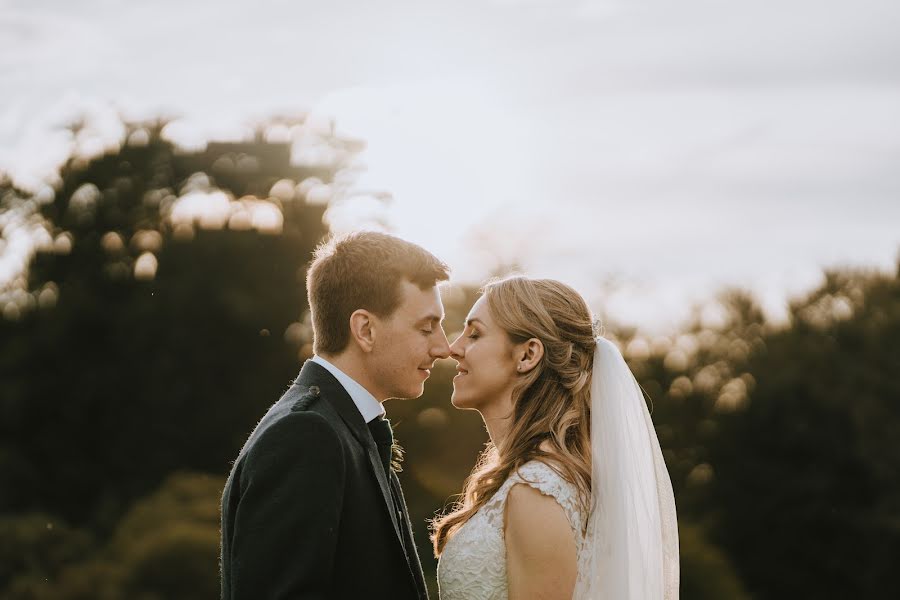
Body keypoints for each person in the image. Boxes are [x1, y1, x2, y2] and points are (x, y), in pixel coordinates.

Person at [220, 231, 451, 599]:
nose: (443, 347)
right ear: (365, 330)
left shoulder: (339, 426)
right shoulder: (305, 434)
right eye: (426, 328)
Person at [433, 276, 679, 600]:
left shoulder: (536, 491)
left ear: (527, 355)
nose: (454, 347)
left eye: (475, 333)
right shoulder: (529, 481)